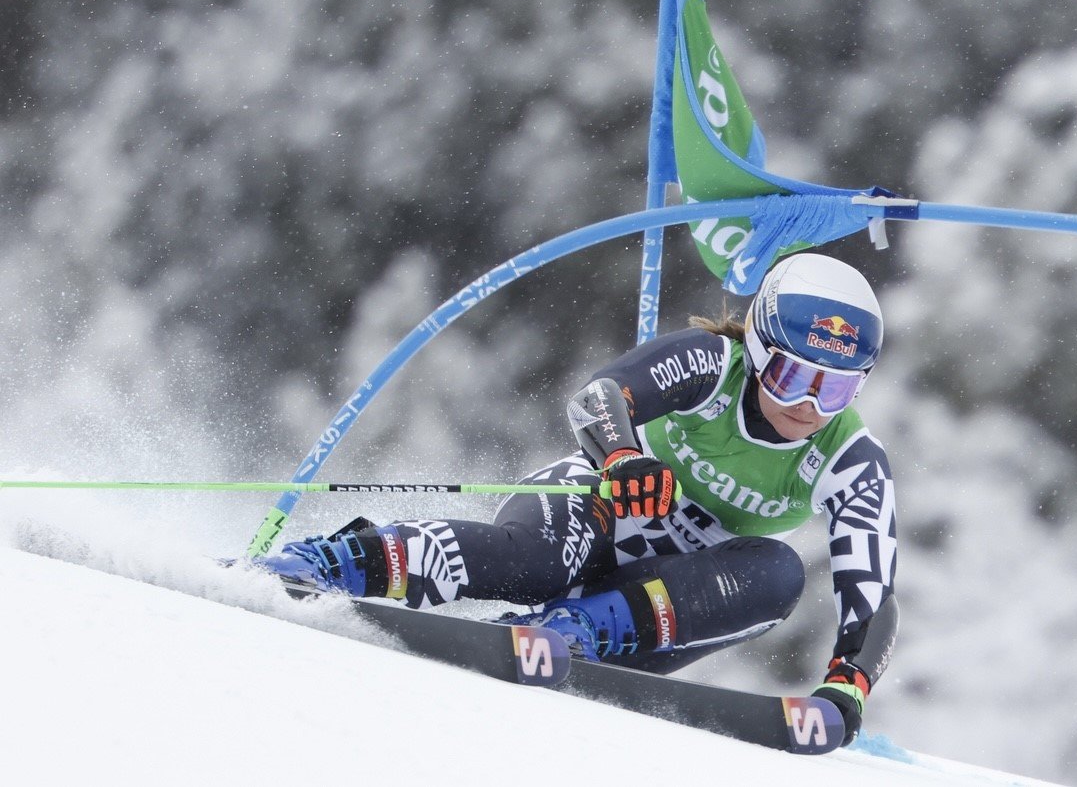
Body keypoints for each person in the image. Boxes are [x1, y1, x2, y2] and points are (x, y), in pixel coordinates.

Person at [256, 253, 898, 744]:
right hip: (596, 515)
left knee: (780, 574)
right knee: (538, 560)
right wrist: (622, 458)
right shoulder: (713, 365)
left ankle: (574, 632)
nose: (808, 408)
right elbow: (599, 396)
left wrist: (850, 683)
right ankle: (340, 560)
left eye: (834, 391)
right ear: (758, 352)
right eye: (791, 379)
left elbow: (871, 591)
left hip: (654, 601)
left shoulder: (851, 461)